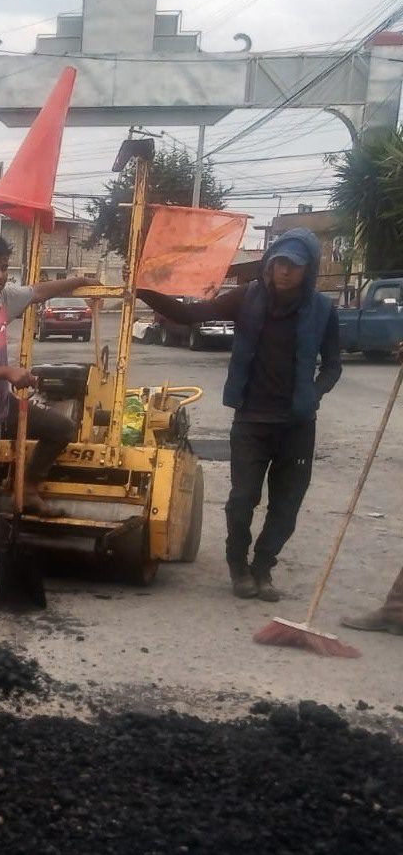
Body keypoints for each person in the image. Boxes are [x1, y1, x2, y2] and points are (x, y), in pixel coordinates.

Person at [138, 227, 341, 602]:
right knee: (242, 498)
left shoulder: (323, 310)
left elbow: (332, 365)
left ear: (308, 270)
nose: (284, 271)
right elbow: (189, 313)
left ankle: (263, 567)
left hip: (297, 425)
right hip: (251, 420)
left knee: (287, 503)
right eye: (279, 262)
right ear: (269, 264)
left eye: (294, 266)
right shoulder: (246, 298)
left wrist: (313, 395)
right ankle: (237, 566)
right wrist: (142, 287)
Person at [0, 234, 97, 598]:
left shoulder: (1, 299)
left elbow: (39, 291)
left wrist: (77, 282)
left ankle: (29, 485)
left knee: (61, 427)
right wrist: (6, 373)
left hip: (0, 406)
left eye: (4, 268)